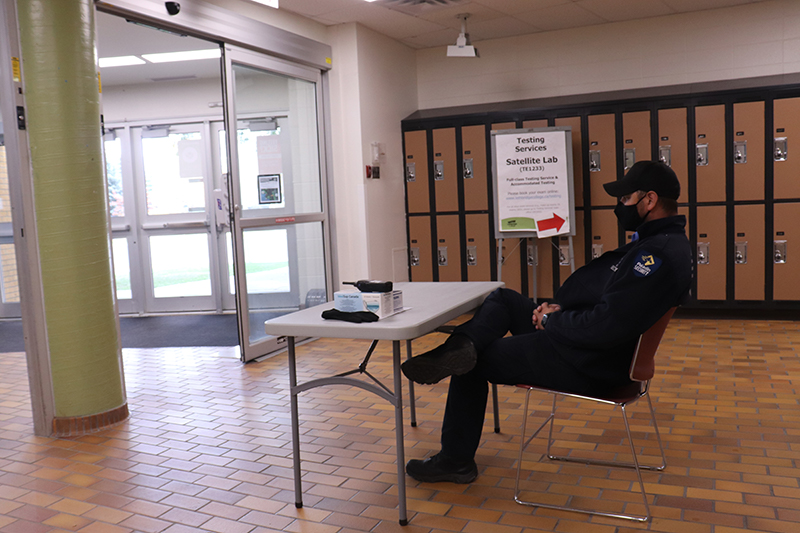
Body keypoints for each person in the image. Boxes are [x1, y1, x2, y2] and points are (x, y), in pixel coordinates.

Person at [401, 160, 693, 484]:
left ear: (649, 201)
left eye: (625, 199)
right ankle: (459, 346)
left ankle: (454, 459)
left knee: (476, 361)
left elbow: (607, 326)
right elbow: (611, 305)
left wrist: (554, 321)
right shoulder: (655, 244)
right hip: (578, 342)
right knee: (503, 298)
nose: (619, 206)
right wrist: (558, 310)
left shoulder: (656, 256)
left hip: (589, 362)